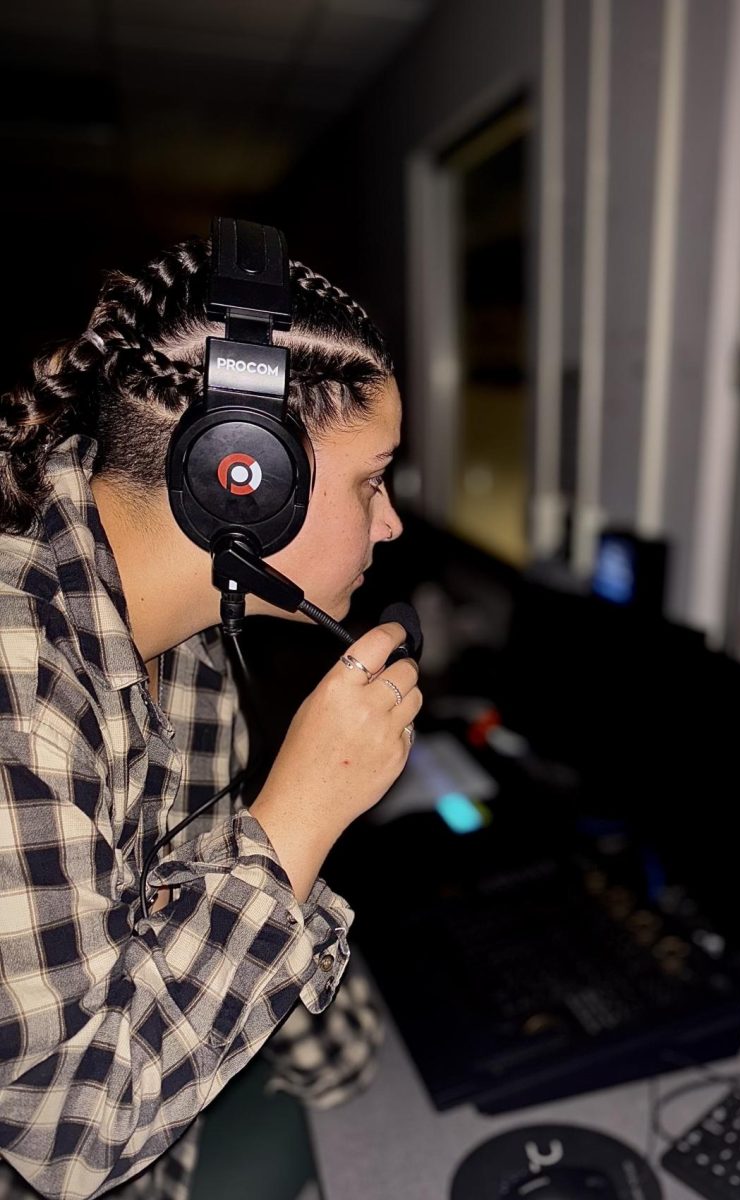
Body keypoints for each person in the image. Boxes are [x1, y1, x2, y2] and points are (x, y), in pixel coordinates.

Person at [0, 232, 420, 1199]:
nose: (390, 520)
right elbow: (71, 1137)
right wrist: (303, 811)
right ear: (244, 477)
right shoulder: (20, 694)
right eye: (371, 478)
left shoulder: (185, 640)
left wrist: (341, 1052)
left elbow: (194, 892)